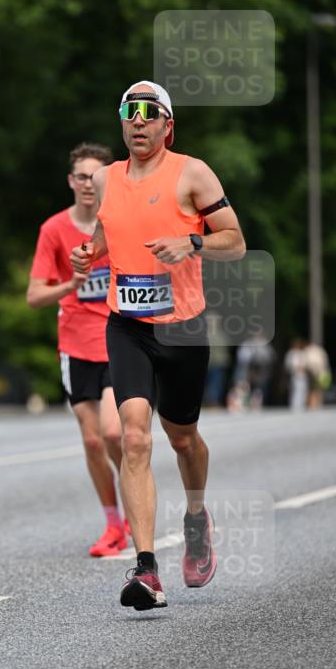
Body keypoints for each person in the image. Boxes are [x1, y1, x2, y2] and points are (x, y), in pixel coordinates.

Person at [70, 81, 246, 610]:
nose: (139, 121)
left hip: (183, 329)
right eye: (130, 112)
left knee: (184, 440)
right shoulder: (105, 179)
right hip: (127, 326)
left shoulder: (192, 172)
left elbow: (234, 241)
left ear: (168, 125)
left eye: (150, 113)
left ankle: (196, 517)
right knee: (135, 437)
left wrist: (191, 241)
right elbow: (107, 236)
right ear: (122, 122)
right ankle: (146, 569)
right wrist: (89, 256)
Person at [27, 142, 131, 557]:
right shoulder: (54, 230)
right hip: (75, 345)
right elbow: (34, 295)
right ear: (71, 181)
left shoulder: (122, 224)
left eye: (96, 176)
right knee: (92, 443)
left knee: (112, 432)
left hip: (119, 340)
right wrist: (70, 284)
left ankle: (139, 500)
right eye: (81, 177)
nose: (89, 184)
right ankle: (114, 524)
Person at [304, 341, 330, 410]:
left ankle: (316, 403)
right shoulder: (311, 351)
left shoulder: (316, 351)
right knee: (313, 389)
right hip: (312, 373)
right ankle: (313, 403)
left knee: (317, 389)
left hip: (317, 373)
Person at [284, 338, 309, 411]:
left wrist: (303, 367)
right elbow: (288, 365)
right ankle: (294, 406)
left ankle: (302, 405)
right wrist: (295, 368)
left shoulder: (302, 353)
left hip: (303, 375)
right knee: (295, 390)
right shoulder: (291, 354)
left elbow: (306, 363)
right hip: (294, 375)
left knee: (303, 390)